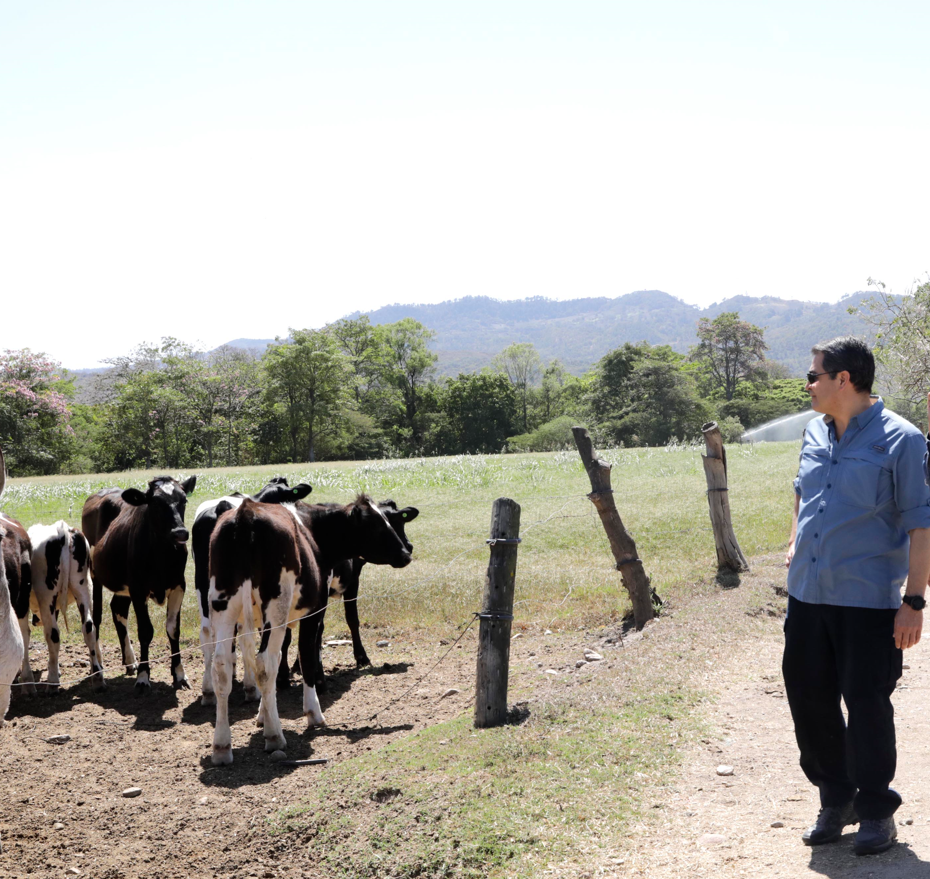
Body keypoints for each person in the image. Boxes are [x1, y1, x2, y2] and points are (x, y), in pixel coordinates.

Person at [784, 336, 930, 856]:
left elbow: (920, 524)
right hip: (806, 594)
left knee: (866, 706)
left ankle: (874, 812)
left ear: (843, 379)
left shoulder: (902, 440)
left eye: (814, 375)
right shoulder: (812, 432)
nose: (808, 384)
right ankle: (835, 797)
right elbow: (803, 491)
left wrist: (913, 601)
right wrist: (794, 542)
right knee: (808, 698)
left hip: (867, 601)